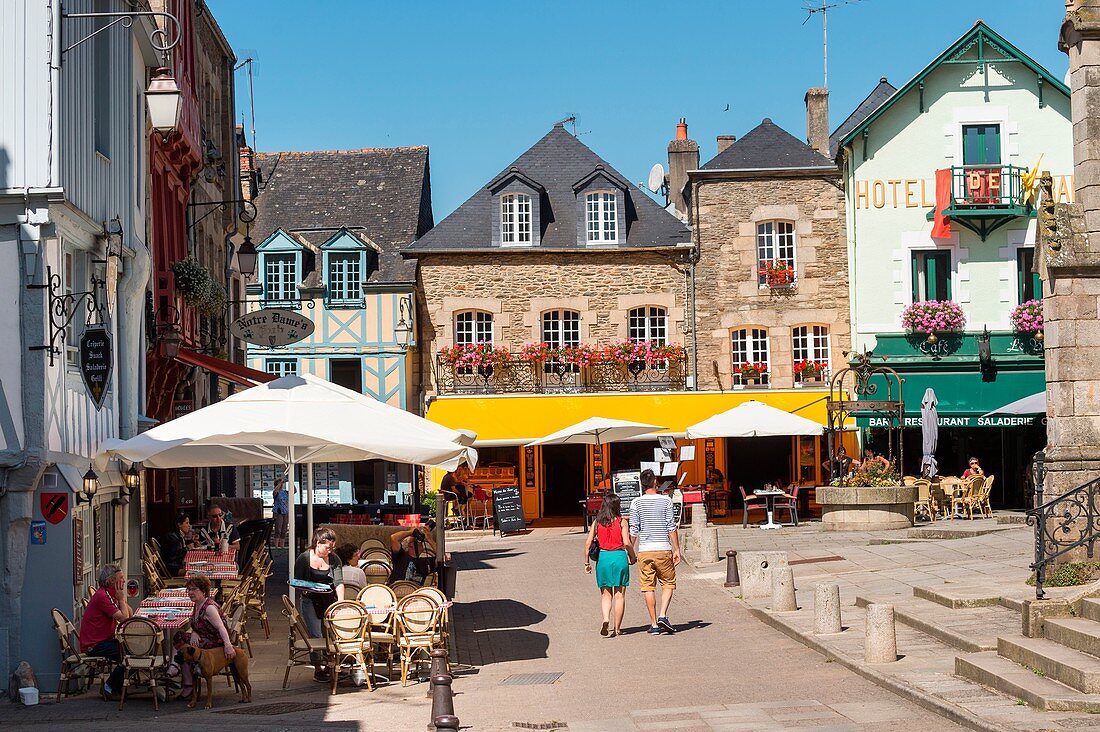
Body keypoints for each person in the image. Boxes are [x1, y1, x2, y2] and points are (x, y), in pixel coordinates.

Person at [629, 468, 681, 635]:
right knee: (668, 583)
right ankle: (663, 615)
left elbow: (634, 529)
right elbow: (671, 526)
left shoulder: (636, 503)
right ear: (655, 482)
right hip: (663, 548)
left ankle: (653, 624)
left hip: (644, 550)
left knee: (648, 587)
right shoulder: (665, 501)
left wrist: (630, 550)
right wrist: (677, 548)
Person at [293, 527, 345, 682]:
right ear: (317, 543)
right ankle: (318, 668)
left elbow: (339, 582)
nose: (329, 551)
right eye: (327, 547)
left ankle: (332, 664)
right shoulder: (304, 558)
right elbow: (297, 581)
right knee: (316, 634)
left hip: (329, 599)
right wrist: (306, 588)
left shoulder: (334, 559)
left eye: (332, 548)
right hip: (310, 600)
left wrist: (340, 603)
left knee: (332, 634)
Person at [583, 494, 635, 637]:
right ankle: (617, 628)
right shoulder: (622, 522)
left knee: (605, 595)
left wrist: (587, 563)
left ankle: (606, 618)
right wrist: (633, 556)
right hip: (619, 558)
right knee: (620, 595)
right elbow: (627, 542)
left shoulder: (597, 522)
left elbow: (588, 544)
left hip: (603, 558)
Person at [79, 564, 132, 700]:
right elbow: (125, 619)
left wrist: (121, 598)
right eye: (121, 578)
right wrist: (120, 599)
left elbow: (129, 613)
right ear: (111, 581)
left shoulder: (109, 594)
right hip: (94, 644)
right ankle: (109, 687)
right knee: (129, 655)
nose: (124, 581)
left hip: (103, 640)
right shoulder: (103, 596)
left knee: (133, 651)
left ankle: (117, 686)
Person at [178, 575, 235, 701]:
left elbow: (221, 628)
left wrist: (228, 646)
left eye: (194, 589)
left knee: (182, 645)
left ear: (203, 591)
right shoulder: (198, 604)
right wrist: (194, 632)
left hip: (215, 643)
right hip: (204, 637)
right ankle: (180, 671)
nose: (190, 592)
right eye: (189, 589)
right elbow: (198, 624)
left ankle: (185, 680)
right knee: (180, 638)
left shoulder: (209, 608)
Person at [160, 511, 196, 577]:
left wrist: (191, 542)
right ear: (179, 524)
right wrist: (187, 548)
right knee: (195, 572)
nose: (189, 525)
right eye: (187, 523)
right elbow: (173, 556)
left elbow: (181, 546)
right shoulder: (172, 538)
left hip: (176, 565)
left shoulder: (177, 535)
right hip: (173, 569)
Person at [271, 477, 289, 549]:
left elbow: (294, 491)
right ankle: (276, 545)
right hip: (278, 511)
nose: (281, 485)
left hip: (285, 511)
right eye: (279, 483)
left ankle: (282, 545)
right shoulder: (276, 492)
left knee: (284, 529)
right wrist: (279, 483)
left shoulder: (285, 492)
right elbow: (274, 492)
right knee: (278, 529)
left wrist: (290, 481)